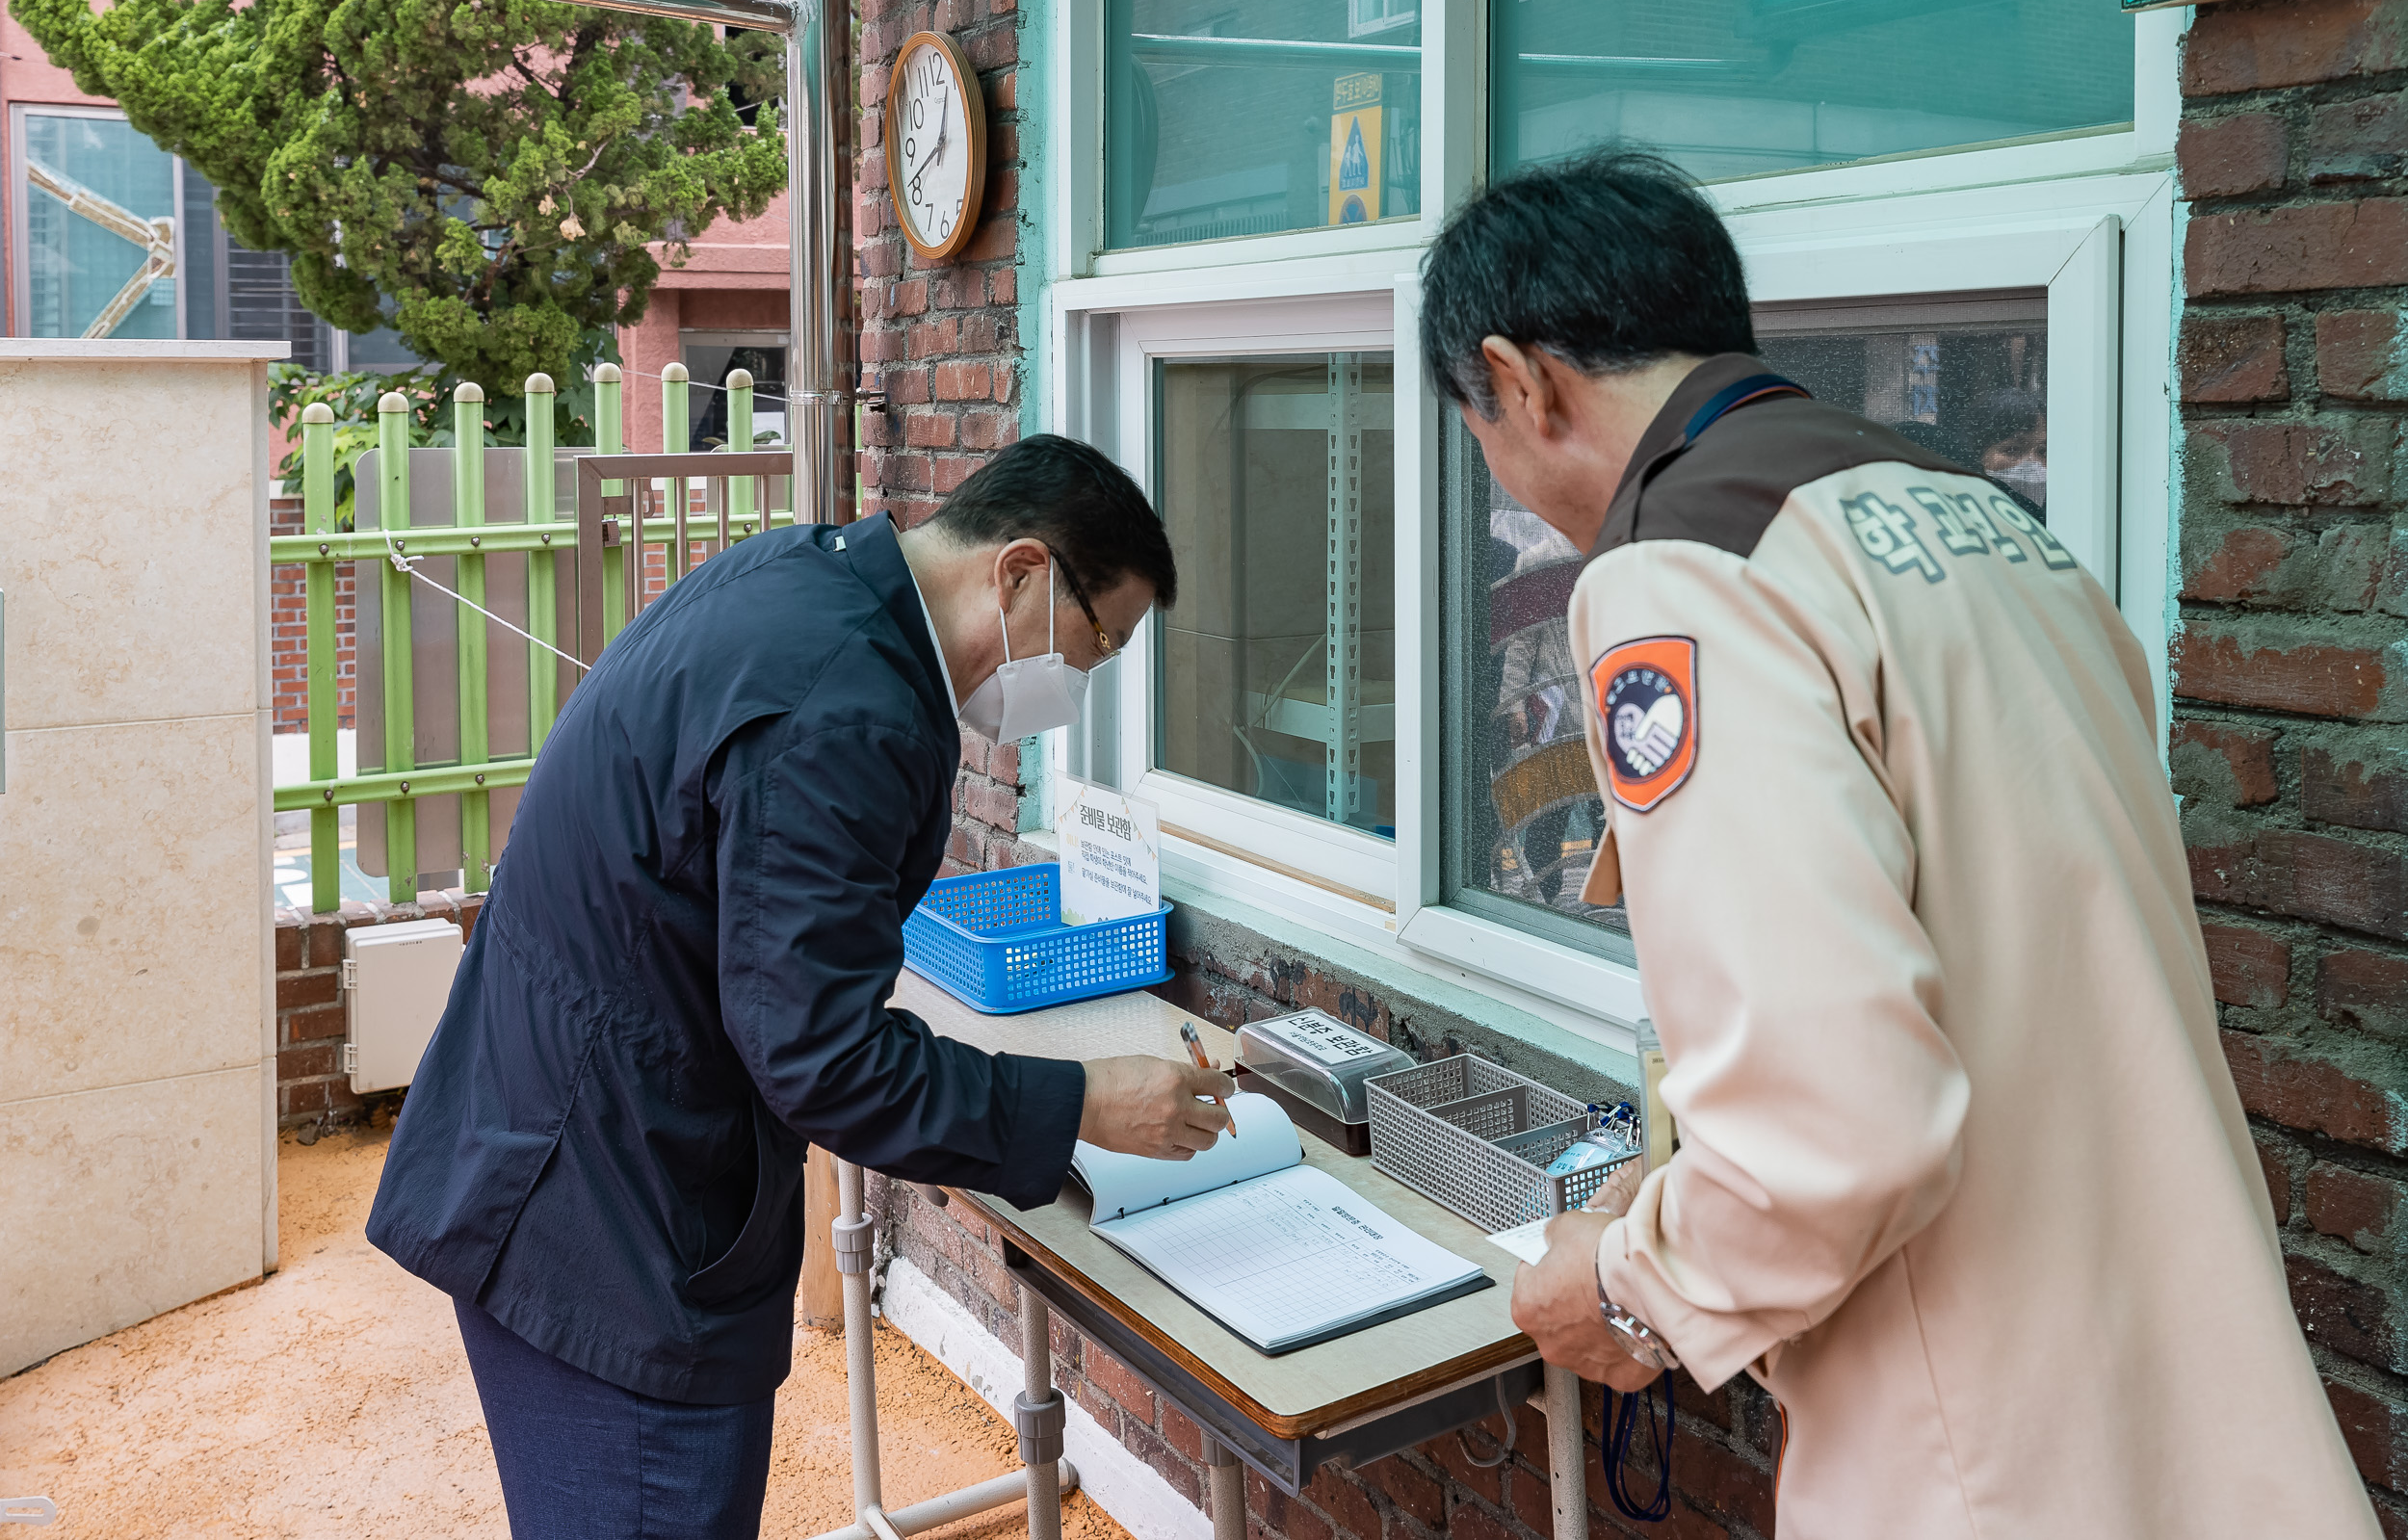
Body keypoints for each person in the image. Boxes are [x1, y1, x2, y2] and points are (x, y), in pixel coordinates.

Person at [1420, 149, 2379, 1538]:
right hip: (2184, 1390)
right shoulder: (1986, 523)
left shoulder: (1679, 569)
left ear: (1522, 382)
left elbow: (1835, 1123)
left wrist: (1632, 1282)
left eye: (1479, 427)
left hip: (1977, 1449)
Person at [366, 435, 1236, 1539]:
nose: (1083, 676)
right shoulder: (852, 704)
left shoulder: (800, 575)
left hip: (548, 1133)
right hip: (610, 1226)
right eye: (1094, 639)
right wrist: (1083, 1102)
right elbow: (821, 1060)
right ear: (1019, 572)